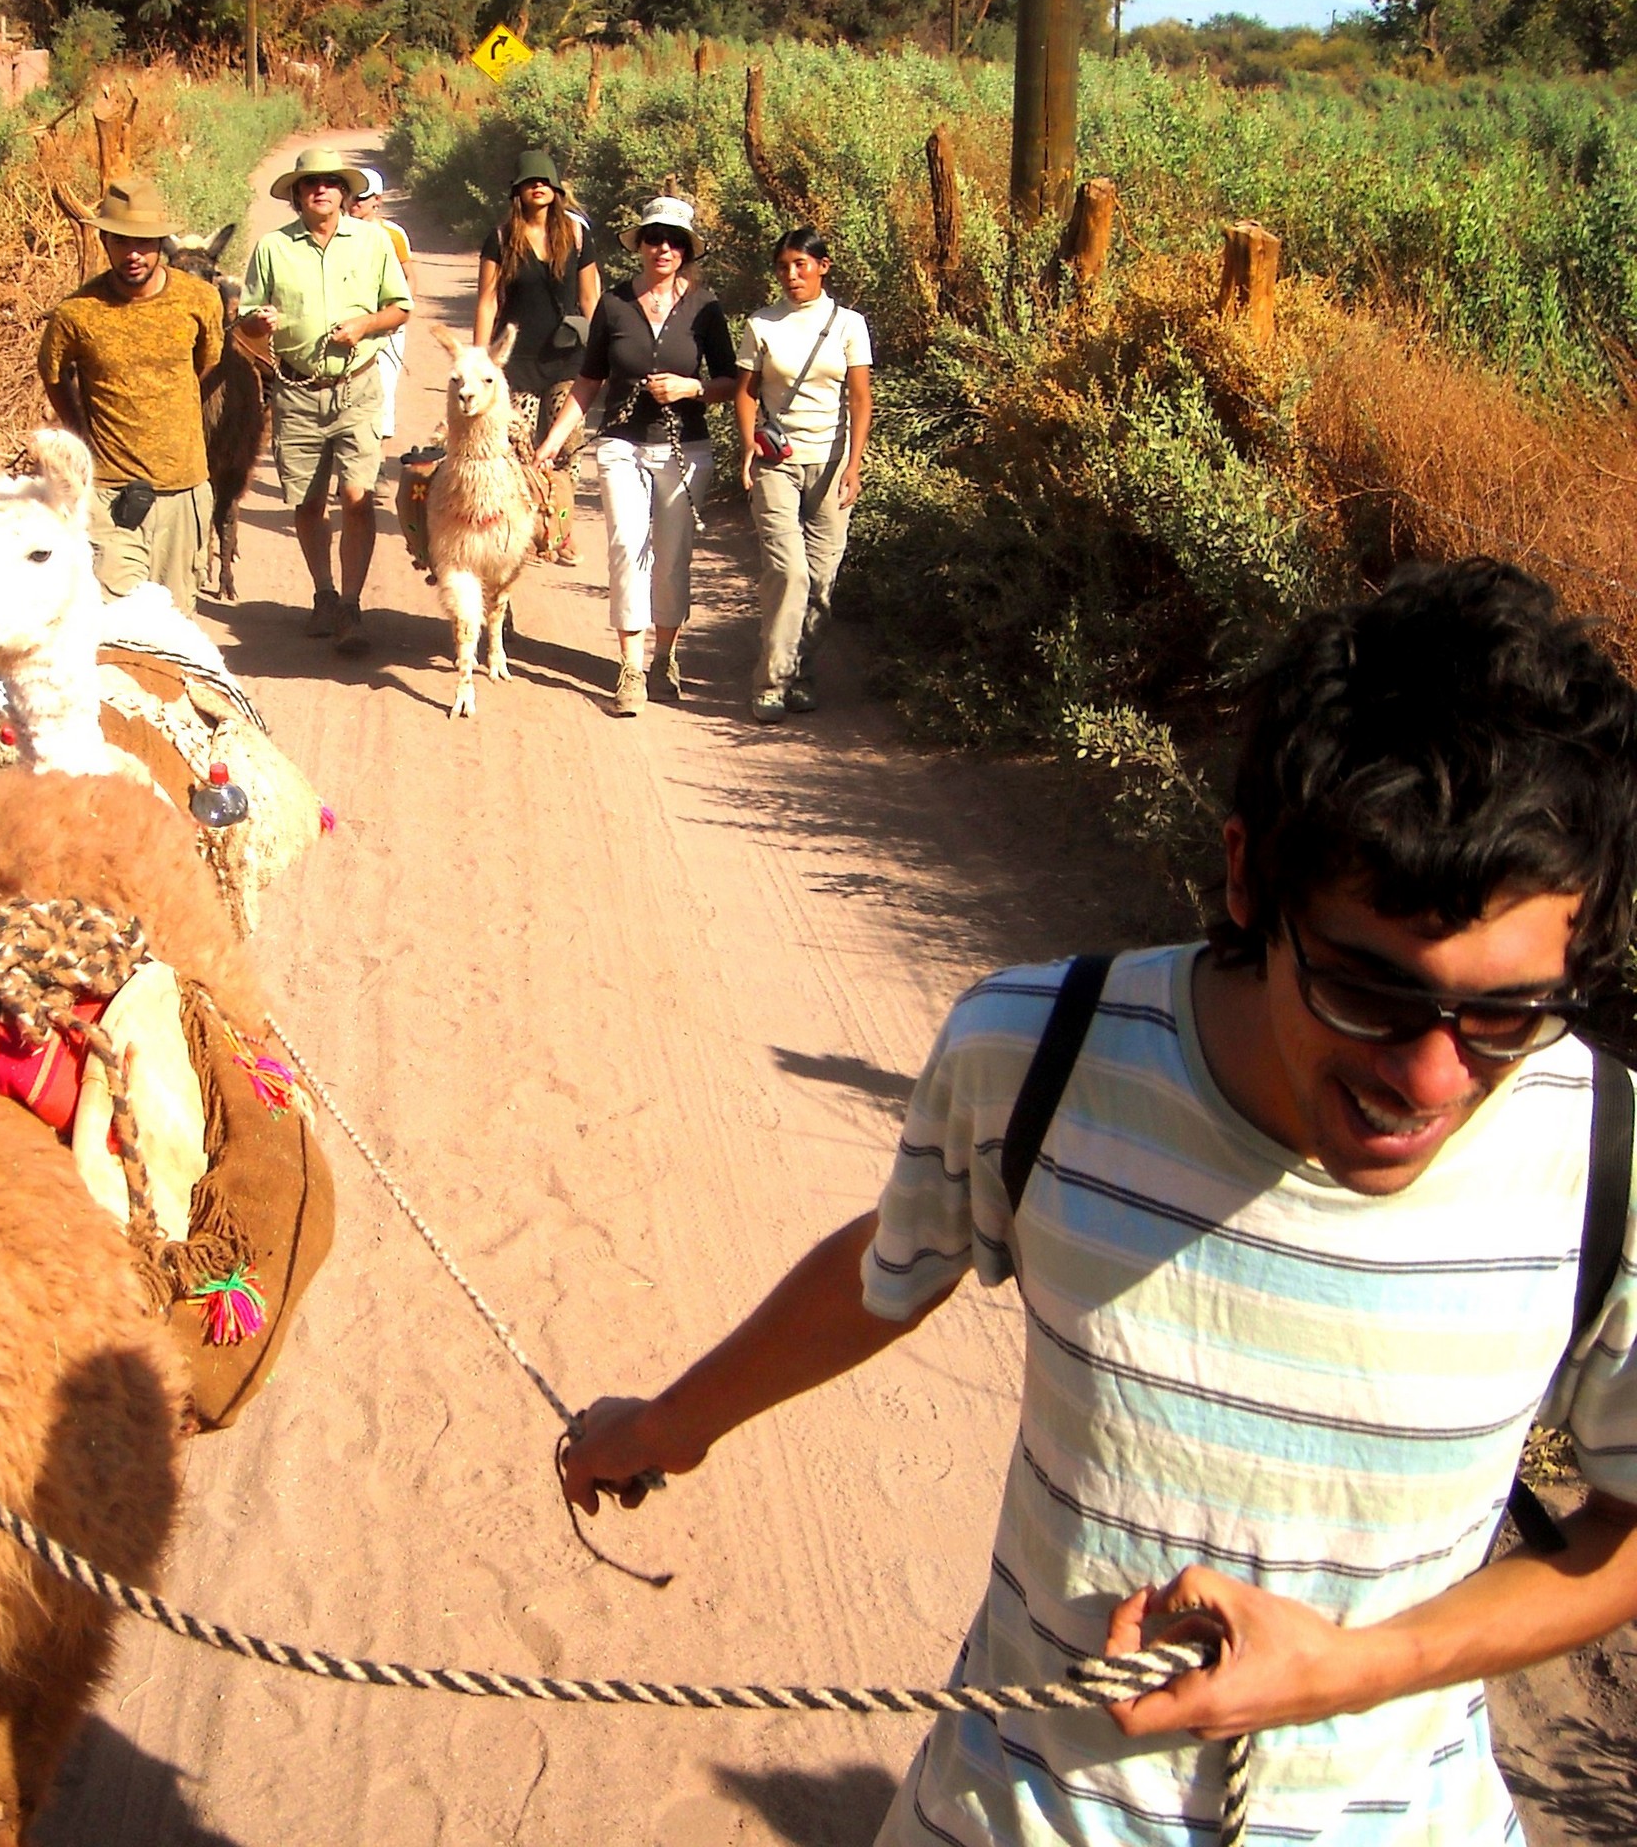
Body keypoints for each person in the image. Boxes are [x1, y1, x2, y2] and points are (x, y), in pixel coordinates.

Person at [564, 560, 1637, 1847]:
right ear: (1248, 881)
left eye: (1508, 1014)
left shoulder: (1607, 1159)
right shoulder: (1040, 1052)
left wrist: (1350, 1670)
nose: (1429, 1076)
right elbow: (891, 1265)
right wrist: (671, 1425)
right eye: (1368, 990)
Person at [531, 195, 737, 718]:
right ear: (640, 244)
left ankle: (664, 656)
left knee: (671, 556)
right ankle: (630, 666)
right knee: (626, 545)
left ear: (686, 250)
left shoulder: (706, 307)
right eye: (653, 238)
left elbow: (731, 382)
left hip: (684, 448)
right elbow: (588, 381)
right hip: (621, 442)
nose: (662, 247)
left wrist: (691, 388)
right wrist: (553, 442)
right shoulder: (615, 303)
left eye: (674, 241)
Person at [241, 146, 413, 655]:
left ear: (345, 192)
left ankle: (352, 606)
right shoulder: (273, 247)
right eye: (310, 183)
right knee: (309, 502)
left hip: (357, 386)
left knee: (358, 498)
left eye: (331, 182)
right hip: (296, 391)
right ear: (297, 194)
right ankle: (323, 592)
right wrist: (257, 323)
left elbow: (400, 307)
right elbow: (247, 319)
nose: (321, 189)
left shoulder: (373, 242)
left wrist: (366, 324)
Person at [34, 177, 225, 613]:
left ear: (161, 243)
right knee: (114, 623)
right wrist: (80, 432)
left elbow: (205, 363)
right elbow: (53, 374)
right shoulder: (77, 313)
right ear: (104, 240)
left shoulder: (199, 299)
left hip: (183, 491)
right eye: (121, 241)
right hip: (108, 493)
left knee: (175, 626)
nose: (133, 253)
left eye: (143, 241)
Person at [736, 227, 871, 721]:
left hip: (832, 464)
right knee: (788, 573)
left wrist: (854, 465)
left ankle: (801, 675)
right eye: (783, 268)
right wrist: (750, 445)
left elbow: (859, 398)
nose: (792, 276)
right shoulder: (762, 323)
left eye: (801, 265)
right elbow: (746, 391)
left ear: (823, 266)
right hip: (778, 463)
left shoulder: (849, 325)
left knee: (820, 579)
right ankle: (769, 683)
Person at [474, 150, 602, 460]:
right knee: (519, 452)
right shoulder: (501, 239)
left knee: (567, 448)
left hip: (568, 358)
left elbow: (590, 298)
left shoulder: (576, 235)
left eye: (545, 180)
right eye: (529, 181)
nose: (538, 186)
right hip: (517, 361)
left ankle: (562, 510)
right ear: (517, 189)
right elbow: (487, 302)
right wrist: (478, 361)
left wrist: (604, 351)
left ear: (557, 188)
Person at [351, 167, 412, 445]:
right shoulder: (338, 232)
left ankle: (373, 465)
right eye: (351, 196)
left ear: (377, 200)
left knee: (383, 389)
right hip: (350, 323)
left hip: (387, 326)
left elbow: (409, 277)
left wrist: (398, 316)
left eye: (361, 198)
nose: (354, 203)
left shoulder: (393, 234)